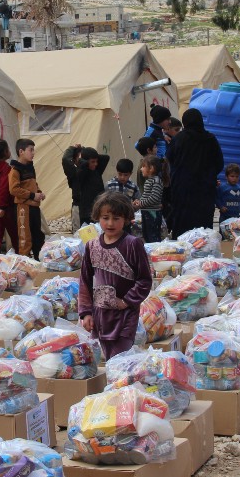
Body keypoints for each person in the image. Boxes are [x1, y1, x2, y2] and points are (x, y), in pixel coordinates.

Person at [78, 191, 153, 360]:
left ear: (126, 219)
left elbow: (144, 279)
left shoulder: (133, 244)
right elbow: (85, 280)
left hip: (126, 314)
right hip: (101, 315)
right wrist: (86, 313)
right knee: (109, 357)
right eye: (105, 218)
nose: (110, 223)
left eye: (116, 218)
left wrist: (126, 301)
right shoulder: (92, 246)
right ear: (97, 217)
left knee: (119, 359)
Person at [168, 108, 225, 237]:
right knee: (203, 225)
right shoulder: (210, 139)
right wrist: (209, 175)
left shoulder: (179, 139)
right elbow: (219, 163)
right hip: (204, 189)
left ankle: (182, 251)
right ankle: (203, 252)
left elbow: (170, 158)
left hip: (183, 189)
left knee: (183, 223)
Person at [9, 138, 46, 258]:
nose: (33, 153)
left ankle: (38, 261)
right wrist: (32, 195)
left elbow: (33, 184)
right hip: (23, 208)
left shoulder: (30, 167)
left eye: (33, 150)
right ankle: (25, 264)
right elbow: (14, 189)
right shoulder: (15, 170)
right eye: (31, 150)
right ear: (21, 151)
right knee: (25, 237)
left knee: (38, 236)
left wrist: (39, 192)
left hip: (34, 207)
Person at [68, 147, 110, 224]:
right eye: (93, 162)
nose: (96, 164)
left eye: (96, 161)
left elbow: (106, 158)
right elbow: (82, 166)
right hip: (86, 212)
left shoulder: (97, 171)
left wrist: (86, 151)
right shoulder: (80, 173)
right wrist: (82, 160)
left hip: (99, 208)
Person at [134, 155, 164, 243]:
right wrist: (140, 201)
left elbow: (154, 198)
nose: (141, 169)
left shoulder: (156, 180)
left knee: (153, 236)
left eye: (143, 166)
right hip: (147, 212)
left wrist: (141, 204)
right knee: (146, 235)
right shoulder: (149, 180)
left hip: (152, 213)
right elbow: (147, 196)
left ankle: (155, 253)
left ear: (151, 168)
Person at [61, 144, 83, 230]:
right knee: (78, 235)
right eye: (79, 158)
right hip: (78, 206)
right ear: (74, 160)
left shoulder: (90, 171)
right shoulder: (73, 173)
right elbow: (65, 159)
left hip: (90, 207)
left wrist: (84, 149)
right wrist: (72, 148)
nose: (82, 160)